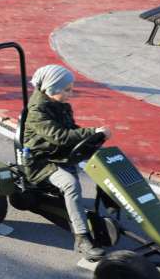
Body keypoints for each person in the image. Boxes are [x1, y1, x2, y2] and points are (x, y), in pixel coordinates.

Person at [22, 64, 112, 260]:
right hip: (41, 162)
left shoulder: (60, 104)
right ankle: (81, 238)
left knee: (106, 159)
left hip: (59, 153)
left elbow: (72, 130)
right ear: (51, 89)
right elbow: (61, 136)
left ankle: (112, 201)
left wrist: (95, 138)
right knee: (70, 185)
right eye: (67, 89)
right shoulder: (37, 111)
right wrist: (92, 132)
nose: (71, 93)